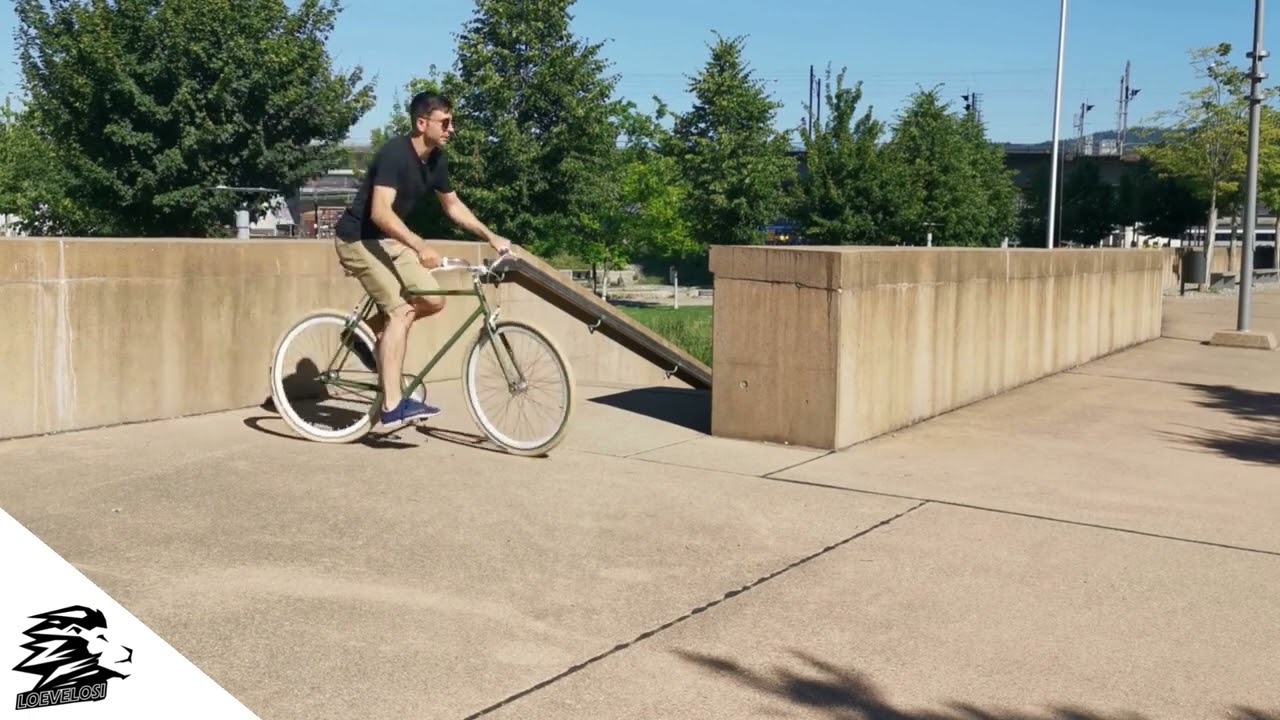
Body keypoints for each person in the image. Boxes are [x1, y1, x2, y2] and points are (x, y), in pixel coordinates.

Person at [333, 92, 513, 429]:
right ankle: (391, 407)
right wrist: (419, 245)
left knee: (431, 299)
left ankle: (363, 337)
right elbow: (380, 212)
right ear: (421, 123)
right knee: (400, 312)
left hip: (387, 241)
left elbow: (453, 206)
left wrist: (491, 236)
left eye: (451, 122)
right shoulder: (394, 154)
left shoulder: (436, 160)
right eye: (445, 122)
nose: (451, 128)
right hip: (357, 239)